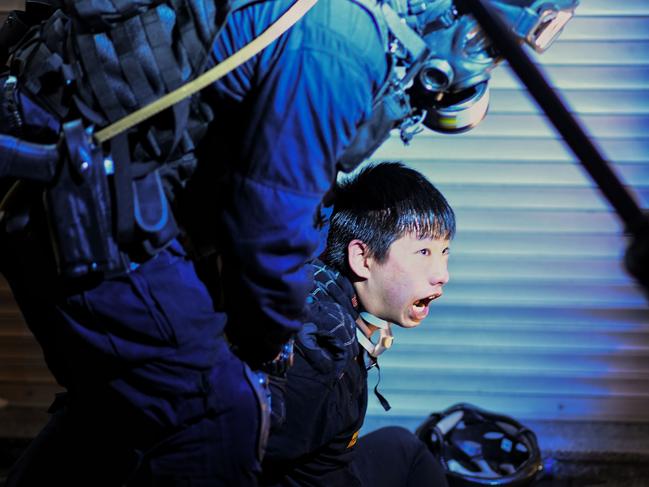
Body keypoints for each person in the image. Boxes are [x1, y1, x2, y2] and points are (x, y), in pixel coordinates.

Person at [0, 0, 577, 484]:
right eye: (491, 39)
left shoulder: (353, 28)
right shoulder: (340, 44)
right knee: (214, 414)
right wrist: (267, 342)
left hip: (85, 175)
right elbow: (270, 220)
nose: (483, 57)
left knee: (126, 401)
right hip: (73, 184)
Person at [260, 161, 455, 486]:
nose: (442, 274)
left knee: (403, 446)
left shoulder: (327, 290)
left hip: (337, 470)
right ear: (362, 258)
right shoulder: (320, 355)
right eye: (423, 251)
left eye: (444, 251)